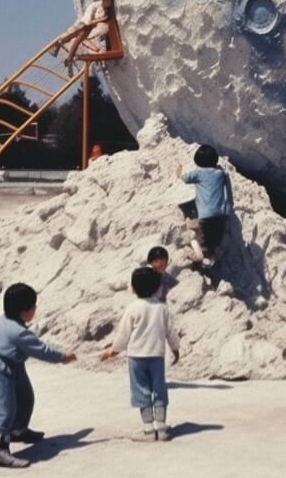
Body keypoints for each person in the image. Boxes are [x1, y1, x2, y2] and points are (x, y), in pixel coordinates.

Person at [0, 283, 76, 467]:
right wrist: (63, 357)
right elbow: (42, 350)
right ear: (24, 311)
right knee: (6, 409)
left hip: (9, 365)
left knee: (25, 398)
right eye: (33, 307)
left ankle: (18, 431)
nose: (35, 309)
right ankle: (1, 451)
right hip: (2, 369)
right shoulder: (19, 333)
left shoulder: (4, 319)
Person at [100, 267, 181, 442]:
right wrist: (175, 349)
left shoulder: (132, 308)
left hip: (136, 357)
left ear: (134, 288)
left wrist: (112, 351)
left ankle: (148, 431)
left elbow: (123, 334)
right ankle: (162, 428)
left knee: (141, 390)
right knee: (159, 389)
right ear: (157, 287)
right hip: (157, 356)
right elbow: (171, 332)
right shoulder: (162, 308)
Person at [177, 145, 234, 266]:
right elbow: (225, 176)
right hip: (222, 213)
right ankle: (213, 251)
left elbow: (185, 179)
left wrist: (179, 172)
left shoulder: (198, 173)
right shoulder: (220, 173)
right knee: (215, 235)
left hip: (206, 215)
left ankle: (203, 257)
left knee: (203, 237)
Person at [52, 0, 116, 75]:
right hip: (86, 25)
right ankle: (64, 49)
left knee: (82, 33)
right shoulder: (95, 6)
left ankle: (66, 51)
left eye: (109, 0)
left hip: (92, 32)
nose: (107, 3)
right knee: (81, 30)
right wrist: (95, 21)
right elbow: (88, 19)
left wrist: (96, 22)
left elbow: (102, 22)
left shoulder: (108, 11)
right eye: (106, 0)